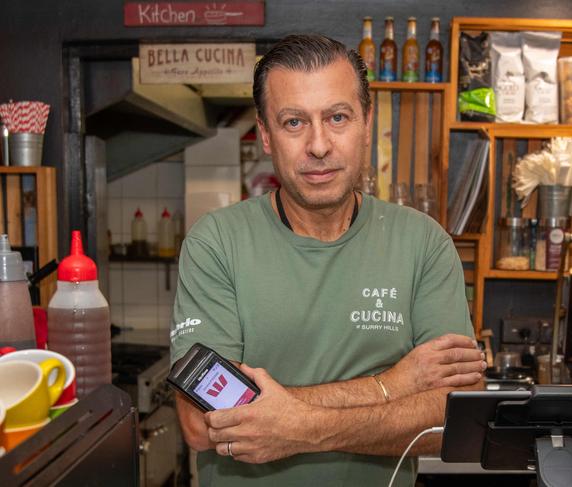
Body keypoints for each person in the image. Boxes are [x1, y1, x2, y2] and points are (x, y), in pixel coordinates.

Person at [171, 34, 486, 487]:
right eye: (294, 122)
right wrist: (393, 386)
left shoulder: (423, 244)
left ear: (366, 122)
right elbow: (202, 424)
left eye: (337, 117)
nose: (319, 145)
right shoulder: (216, 244)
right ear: (264, 134)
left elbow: (457, 415)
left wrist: (298, 427)